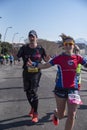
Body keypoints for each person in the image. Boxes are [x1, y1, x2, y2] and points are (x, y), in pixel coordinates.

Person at [27, 34, 87, 130]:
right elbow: (46, 65)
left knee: (71, 115)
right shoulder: (59, 58)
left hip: (73, 90)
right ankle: (56, 113)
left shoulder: (78, 57)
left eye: (70, 44)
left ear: (73, 45)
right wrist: (34, 64)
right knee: (61, 115)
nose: (68, 46)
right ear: (63, 46)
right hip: (60, 89)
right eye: (66, 44)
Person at [17, 30, 50, 123]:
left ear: (36, 38)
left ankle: (35, 113)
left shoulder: (40, 48)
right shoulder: (24, 48)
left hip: (36, 73)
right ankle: (32, 107)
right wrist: (19, 51)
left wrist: (48, 59)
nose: (31, 38)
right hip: (26, 73)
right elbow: (18, 56)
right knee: (27, 92)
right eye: (30, 36)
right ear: (28, 38)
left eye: (33, 36)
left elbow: (46, 59)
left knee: (33, 92)